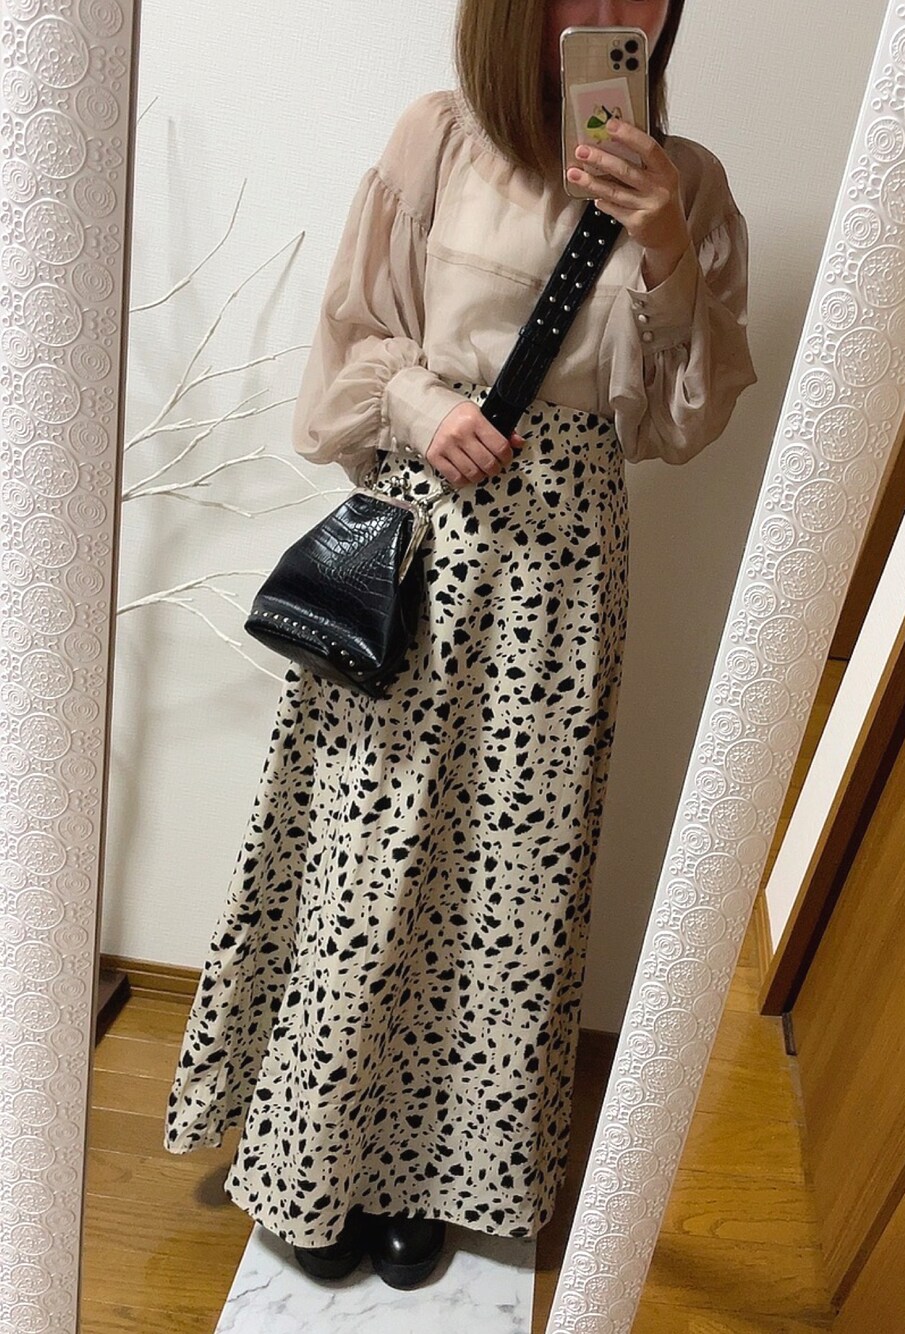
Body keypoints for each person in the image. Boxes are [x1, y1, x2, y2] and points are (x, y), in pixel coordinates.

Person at [162, 0, 758, 1292]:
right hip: (428, 544)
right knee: (368, 863)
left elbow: (685, 419)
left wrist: (668, 253)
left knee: (506, 883)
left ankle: (429, 1178)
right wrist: (424, 404)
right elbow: (351, 337)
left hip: (566, 577)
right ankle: (312, 1159)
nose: (617, 11)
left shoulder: (692, 187)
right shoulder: (438, 140)